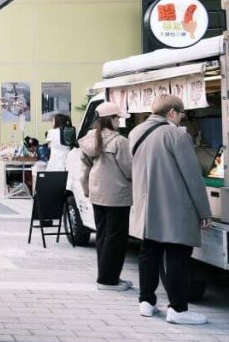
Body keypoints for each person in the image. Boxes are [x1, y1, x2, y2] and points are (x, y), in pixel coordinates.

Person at [129, 95, 212, 325]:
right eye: (182, 115)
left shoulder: (135, 133)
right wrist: (204, 212)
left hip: (147, 206)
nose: (182, 119)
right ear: (172, 113)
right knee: (177, 257)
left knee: (149, 252)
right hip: (174, 207)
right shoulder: (177, 135)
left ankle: (146, 302)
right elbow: (193, 177)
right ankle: (178, 309)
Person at [78, 102, 133, 291]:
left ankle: (106, 276)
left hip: (96, 193)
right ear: (111, 119)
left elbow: (84, 170)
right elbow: (129, 169)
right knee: (116, 238)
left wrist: (86, 190)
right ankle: (108, 280)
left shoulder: (89, 139)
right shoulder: (119, 142)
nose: (119, 121)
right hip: (117, 195)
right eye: (118, 118)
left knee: (102, 236)